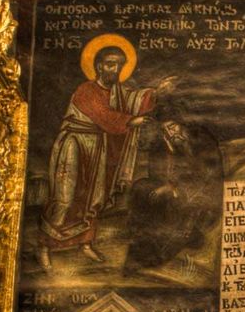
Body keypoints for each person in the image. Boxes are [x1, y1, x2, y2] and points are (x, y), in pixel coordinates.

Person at [38, 36, 176, 271]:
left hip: (98, 148)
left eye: (119, 65)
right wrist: (131, 121)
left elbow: (135, 100)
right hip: (74, 144)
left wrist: (156, 93)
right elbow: (103, 115)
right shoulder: (86, 90)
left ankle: (85, 243)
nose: (115, 69)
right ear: (99, 66)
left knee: (93, 198)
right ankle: (44, 247)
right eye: (111, 64)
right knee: (65, 197)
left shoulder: (118, 92)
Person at [123, 102, 222, 275]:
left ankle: (147, 258)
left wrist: (174, 188)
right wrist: (169, 159)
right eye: (165, 130)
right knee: (141, 187)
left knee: (170, 207)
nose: (170, 133)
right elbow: (156, 174)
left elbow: (208, 177)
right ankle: (139, 238)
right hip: (173, 191)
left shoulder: (201, 140)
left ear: (182, 123)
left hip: (200, 198)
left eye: (172, 127)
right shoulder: (164, 143)